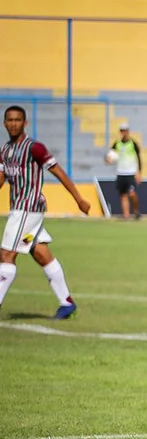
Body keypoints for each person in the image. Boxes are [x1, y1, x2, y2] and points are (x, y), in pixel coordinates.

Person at [0, 105, 92, 319]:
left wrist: (78, 198)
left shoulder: (35, 148)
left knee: (6, 255)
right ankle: (66, 302)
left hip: (27, 208)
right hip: (21, 208)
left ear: (25, 123)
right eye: (9, 120)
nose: (13, 124)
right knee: (41, 253)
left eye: (17, 120)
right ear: (4, 123)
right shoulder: (4, 150)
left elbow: (58, 171)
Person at [107, 122, 142, 220]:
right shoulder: (116, 144)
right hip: (120, 173)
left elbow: (139, 158)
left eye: (125, 131)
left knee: (132, 193)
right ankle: (126, 216)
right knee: (123, 195)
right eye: (122, 131)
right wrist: (108, 160)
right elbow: (110, 156)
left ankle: (135, 210)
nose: (124, 133)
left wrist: (139, 173)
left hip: (130, 173)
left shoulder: (133, 144)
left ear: (128, 131)